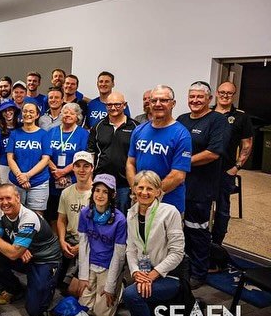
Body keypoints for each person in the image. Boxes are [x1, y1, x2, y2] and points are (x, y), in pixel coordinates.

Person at [123, 170, 185, 316]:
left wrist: (153, 275)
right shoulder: (131, 213)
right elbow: (131, 249)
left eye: (150, 188)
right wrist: (136, 273)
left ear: (158, 191)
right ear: (134, 190)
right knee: (131, 289)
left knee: (131, 294)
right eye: (140, 187)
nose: (144, 192)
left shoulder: (170, 212)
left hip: (170, 274)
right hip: (145, 270)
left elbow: (177, 253)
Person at [177, 81, 228, 289]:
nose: (195, 100)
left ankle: (199, 272)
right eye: (192, 96)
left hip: (201, 188)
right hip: (179, 185)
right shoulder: (181, 119)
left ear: (209, 99)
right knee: (179, 230)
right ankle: (183, 268)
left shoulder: (217, 120)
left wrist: (183, 162)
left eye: (200, 97)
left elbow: (213, 153)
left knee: (197, 230)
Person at [0, 184, 62, 316]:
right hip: (25, 256)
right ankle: (15, 290)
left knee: (35, 310)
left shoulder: (28, 218)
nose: (5, 203)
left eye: (8, 198)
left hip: (45, 260)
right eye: (1, 199)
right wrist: (17, 248)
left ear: (17, 198)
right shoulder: (0, 212)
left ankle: (48, 282)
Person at [126, 85, 192, 214]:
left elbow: (178, 175)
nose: (158, 104)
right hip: (140, 201)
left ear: (173, 104)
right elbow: (130, 163)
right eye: (154, 100)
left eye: (163, 100)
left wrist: (150, 194)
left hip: (168, 204)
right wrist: (137, 190)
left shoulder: (181, 135)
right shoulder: (139, 130)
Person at [75, 174, 127, 316]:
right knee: (84, 308)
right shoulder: (85, 213)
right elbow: (83, 245)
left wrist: (110, 286)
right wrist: (83, 276)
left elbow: (119, 255)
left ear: (112, 195)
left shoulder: (120, 220)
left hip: (108, 266)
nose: (100, 195)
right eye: (97, 190)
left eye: (105, 192)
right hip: (91, 263)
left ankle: (119, 286)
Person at [212, 81, 253, 245]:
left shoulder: (241, 117)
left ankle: (217, 244)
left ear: (233, 95)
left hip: (226, 170)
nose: (225, 95)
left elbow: (247, 144)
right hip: (205, 170)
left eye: (229, 93)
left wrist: (236, 167)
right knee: (200, 206)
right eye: (222, 92)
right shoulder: (207, 113)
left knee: (222, 209)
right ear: (216, 93)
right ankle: (199, 241)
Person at [87, 91, 139, 215]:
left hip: (124, 184)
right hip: (101, 183)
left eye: (117, 104)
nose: (113, 108)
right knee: (100, 218)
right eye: (109, 105)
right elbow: (91, 154)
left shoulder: (136, 127)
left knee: (122, 219)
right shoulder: (98, 126)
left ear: (124, 105)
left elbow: (138, 157)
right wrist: (90, 180)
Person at [56, 151, 94, 294]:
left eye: (86, 166)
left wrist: (82, 246)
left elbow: (101, 228)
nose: (82, 170)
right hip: (69, 240)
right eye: (78, 166)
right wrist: (61, 241)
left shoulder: (98, 193)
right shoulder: (66, 192)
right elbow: (61, 220)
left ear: (92, 168)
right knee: (53, 281)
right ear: (73, 168)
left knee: (74, 289)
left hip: (90, 241)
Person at [6, 102, 51, 214]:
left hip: (39, 182)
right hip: (16, 181)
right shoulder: (14, 134)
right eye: (25, 111)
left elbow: (46, 159)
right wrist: (20, 177)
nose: (27, 114)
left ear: (37, 115)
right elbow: (10, 158)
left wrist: (27, 176)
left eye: (31, 112)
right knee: (14, 214)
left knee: (37, 217)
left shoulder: (44, 134)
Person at [46, 103, 89, 221]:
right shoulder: (51, 131)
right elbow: (45, 155)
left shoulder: (83, 134)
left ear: (77, 117)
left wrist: (64, 171)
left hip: (73, 180)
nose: (68, 115)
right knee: (53, 216)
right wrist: (56, 172)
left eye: (71, 113)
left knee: (71, 215)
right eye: (65, 112)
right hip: (52, 179)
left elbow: (82, 157)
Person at [0, 100, 20, 184]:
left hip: (20, 165)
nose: (8, 113)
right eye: (4, 111)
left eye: (10, 109)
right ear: (1, 114)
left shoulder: (21, 127)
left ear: (14, 110)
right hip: (4, 167)